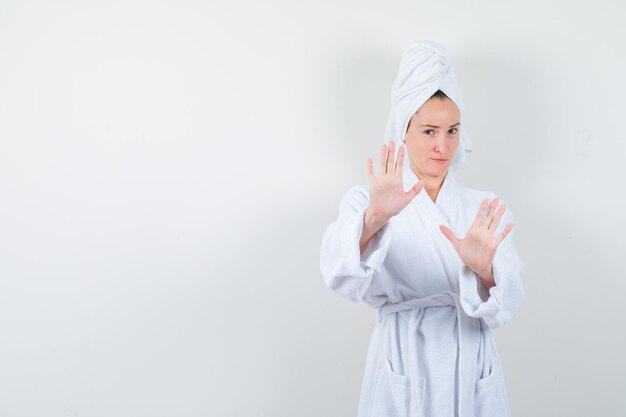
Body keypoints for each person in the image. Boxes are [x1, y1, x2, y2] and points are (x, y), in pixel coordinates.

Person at [319, 40, 525, 417]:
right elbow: (337, 273)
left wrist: (485, 271)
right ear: (405, 128)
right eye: (429, 131)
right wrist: (375, 220)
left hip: (470, 356)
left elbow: (507, 305)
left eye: (452, 130)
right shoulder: (364, 202)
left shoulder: (484, 209)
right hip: (401, 354)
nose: (442, 146)